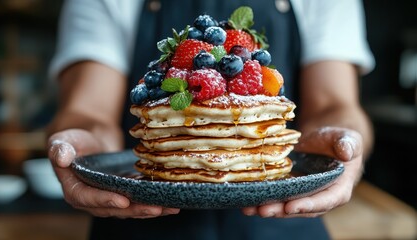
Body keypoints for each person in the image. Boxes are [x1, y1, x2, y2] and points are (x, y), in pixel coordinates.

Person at [47, 0, 375, 239]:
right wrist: (84, 148)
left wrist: (344, 142)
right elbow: (88, 109)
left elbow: (335, 103)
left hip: (286, 224)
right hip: (136, 223)